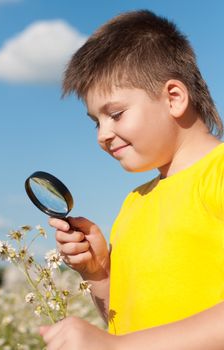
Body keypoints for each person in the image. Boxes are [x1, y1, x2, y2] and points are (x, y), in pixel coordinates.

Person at [39, 9, 224, 350]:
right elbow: (124, 322)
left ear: (174, 98)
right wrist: (98, 275)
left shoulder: (217, 174)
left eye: (116, 114)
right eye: (96, 121)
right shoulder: (133, 204)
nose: (102, 135)